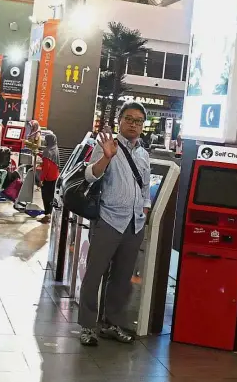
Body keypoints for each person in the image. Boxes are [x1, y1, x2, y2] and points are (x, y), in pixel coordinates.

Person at [78, 102, 151, 346]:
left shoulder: (143, 153)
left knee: (121, 279)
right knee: (94, 275)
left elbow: (145, 188)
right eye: (129, 119)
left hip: (134, 225)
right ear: (120, 121)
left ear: (143, 125)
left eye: (138, 120)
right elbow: (90, 175)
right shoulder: (108, 146)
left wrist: (144, 212)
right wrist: (106, 158)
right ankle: (87, 326)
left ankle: (111, 323)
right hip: (108, 220)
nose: (133, 124)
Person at [38, 132, 60, 224]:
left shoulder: (47, 151)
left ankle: (47, 215)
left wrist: (41, 179)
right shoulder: (55, 149)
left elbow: (46, 167)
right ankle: (49, 215)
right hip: (55, 176)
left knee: (45, 197)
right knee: (51, 197)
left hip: (48, 177)